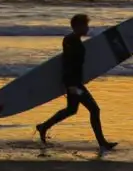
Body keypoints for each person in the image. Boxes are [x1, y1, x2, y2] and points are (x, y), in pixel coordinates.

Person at [36, 13, 117, 150]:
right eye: (85, 25)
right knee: (94, 109)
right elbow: (68, 62)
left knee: (71, 109)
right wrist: (72, 84)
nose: (87, 28)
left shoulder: (74, 40)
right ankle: (102, 142)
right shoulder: (71, 40)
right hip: (73, 84)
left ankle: (43, 126)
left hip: (74, 82)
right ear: (77, 26)